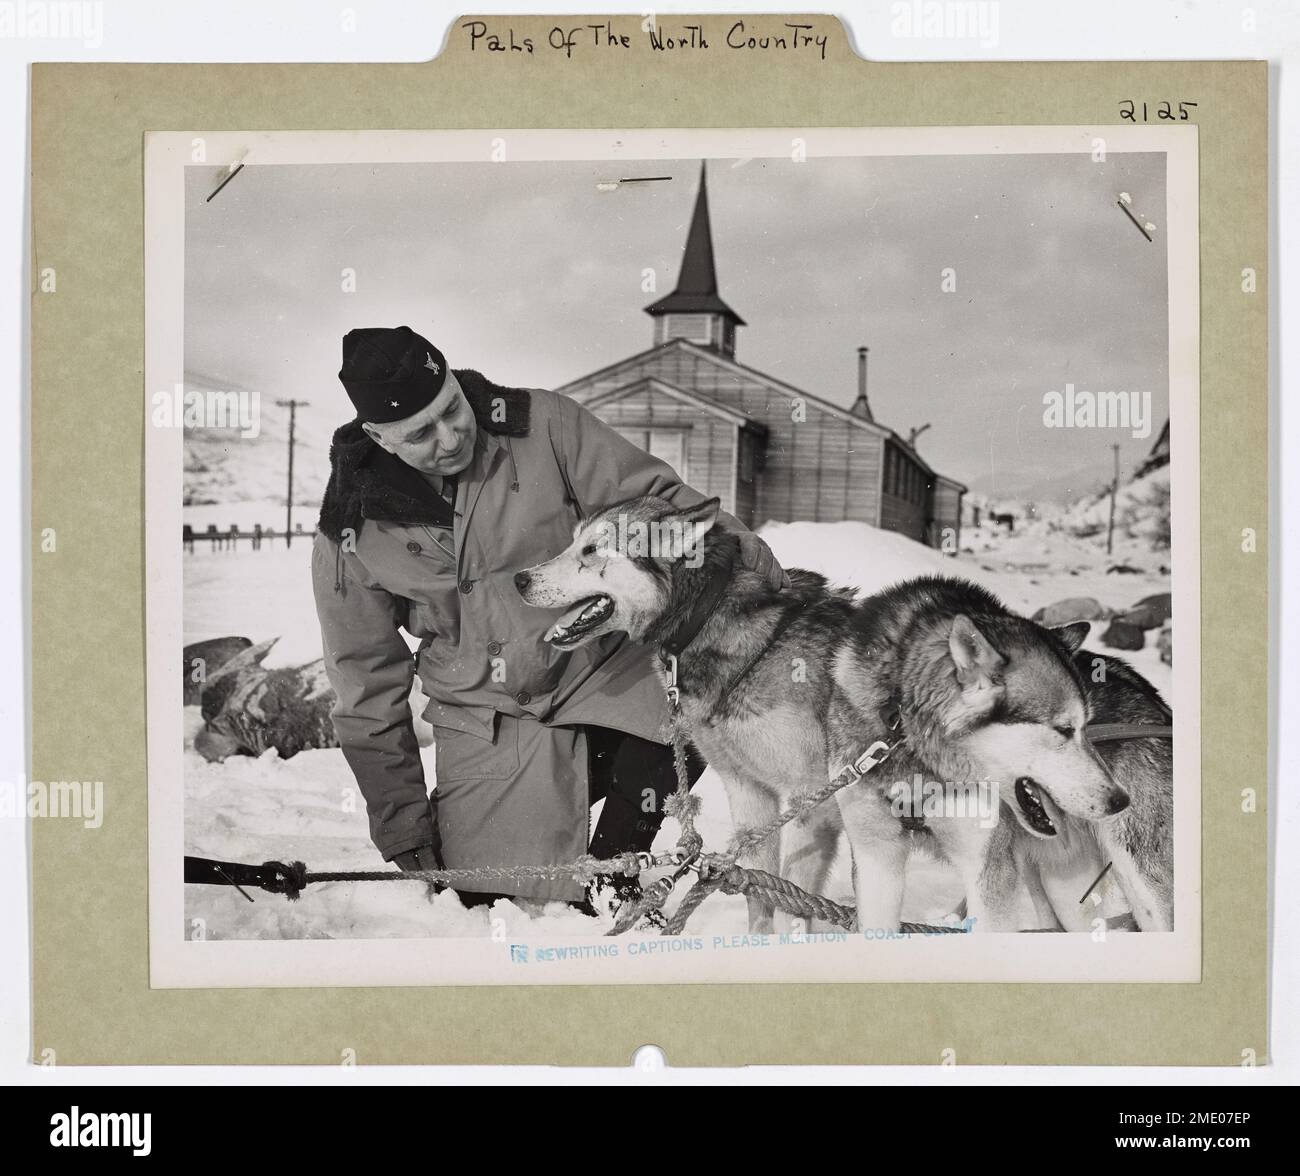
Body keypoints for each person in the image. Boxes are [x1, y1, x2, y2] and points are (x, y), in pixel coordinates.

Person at [311, 325, 785, 911]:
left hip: (603, 670)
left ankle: (618, 873)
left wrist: (757, 571)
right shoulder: (350, 532)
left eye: (452, 408)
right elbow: (364, 683)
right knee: (485, 894)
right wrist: (401, 822)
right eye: (421, 433)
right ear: (380, 439)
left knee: (690, 704)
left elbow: (662, 502)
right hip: (488, 711)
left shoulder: (544, 424)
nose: (452, 435)